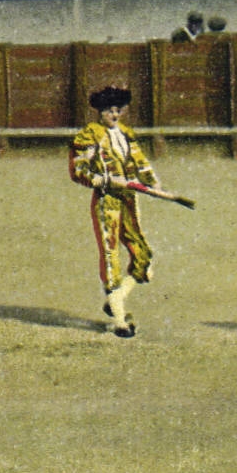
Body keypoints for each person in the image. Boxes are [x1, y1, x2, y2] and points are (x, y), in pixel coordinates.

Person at [68, 85, 164, 337]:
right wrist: (101, 180)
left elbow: (141, 162)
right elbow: (78, 169)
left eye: (118, 110)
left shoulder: (125, 134)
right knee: (111, 253)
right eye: (110, 110)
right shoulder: (91, 135)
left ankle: (116, 298)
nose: (114, 115)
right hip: (106, 199)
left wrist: (152, 181)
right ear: (100, 112)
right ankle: (120, 319)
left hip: (129, 198)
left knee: (143, 254)